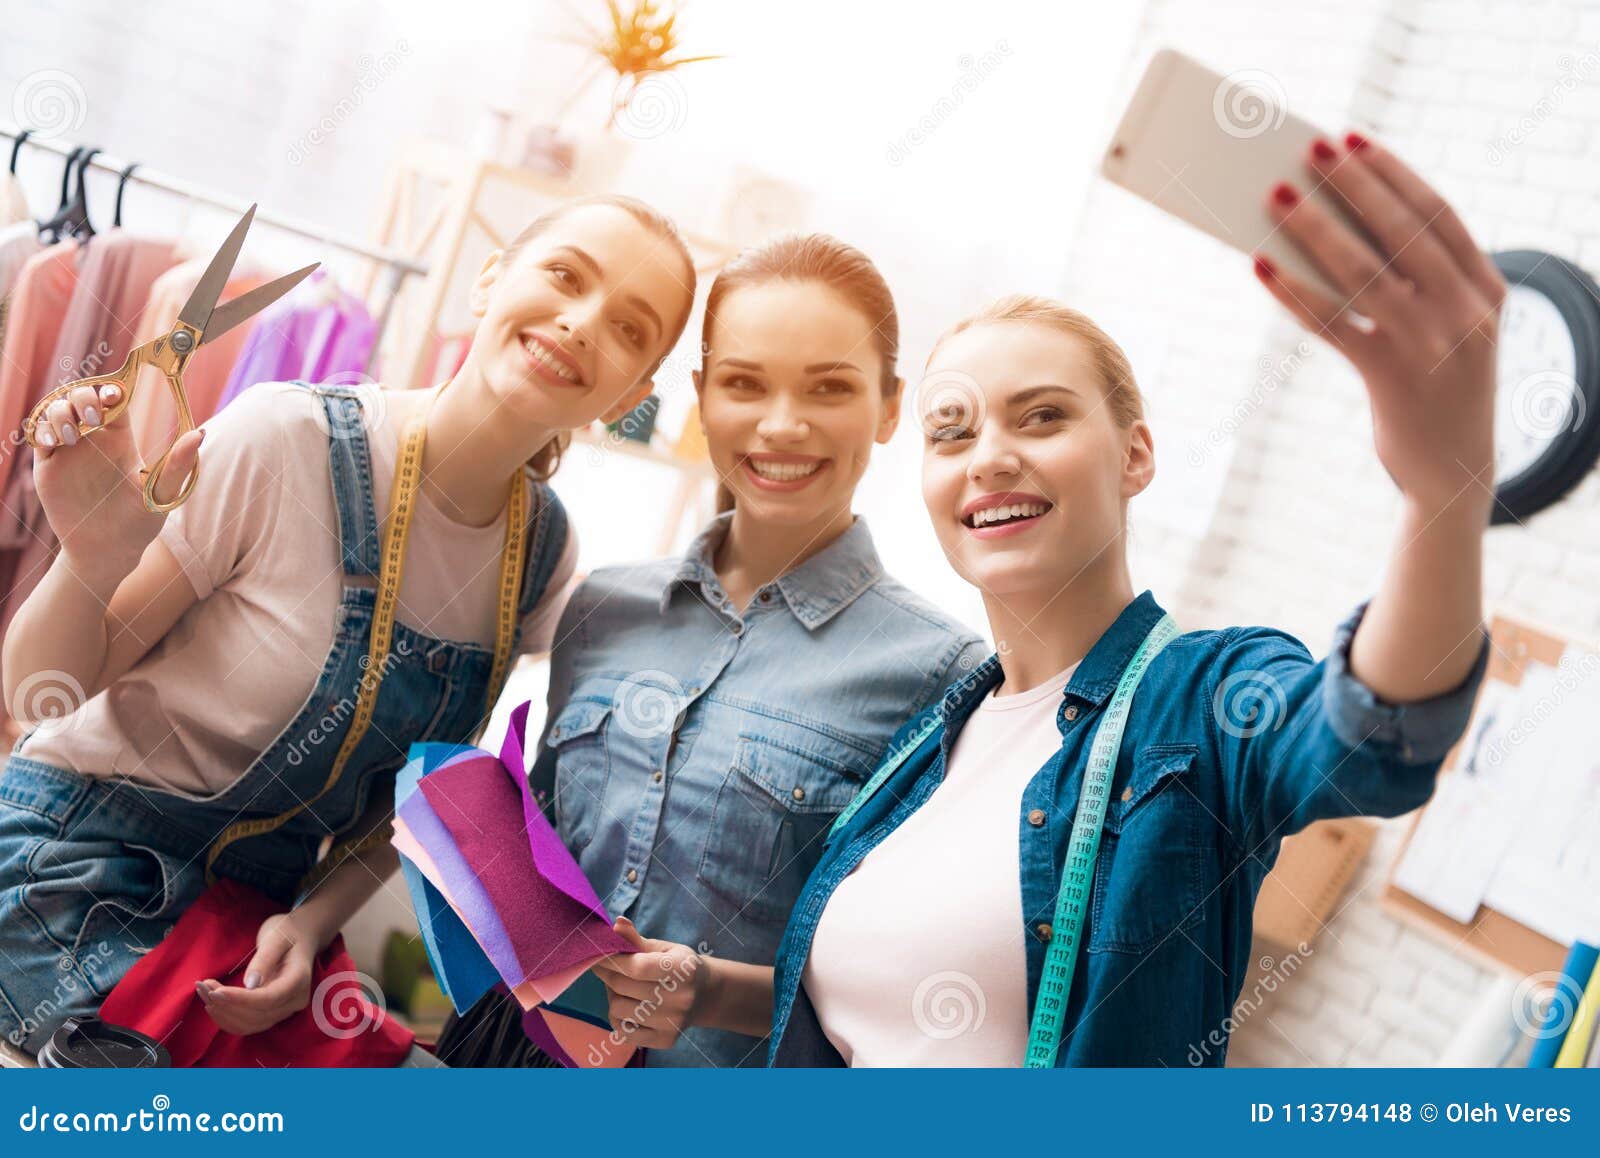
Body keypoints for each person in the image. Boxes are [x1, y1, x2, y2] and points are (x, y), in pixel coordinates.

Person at [616, 133, 1502, 1067]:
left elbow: (1374, 738)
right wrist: (709, 987)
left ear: (1135, 455)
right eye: (952, 432)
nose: (991, 454)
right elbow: (887, 1011)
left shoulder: (1197, 704)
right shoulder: (931, 738)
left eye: (1042, 415)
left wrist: (1444, 494)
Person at [0, 193, 698, 1055]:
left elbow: (403, 799)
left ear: (631, 393)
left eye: (630, 327)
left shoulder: (542, 548)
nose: (584, 321)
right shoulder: (284, 438)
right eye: (564, 275)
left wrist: (311, 919)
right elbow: (40, 701)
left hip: (256, 919)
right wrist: (91, 559)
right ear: (489, 280)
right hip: (76, 867)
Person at [440, 234, 985, 1068]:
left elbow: (913, 988)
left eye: (830, 388)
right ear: (701, 398)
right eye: (743, 383)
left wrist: (713, 992)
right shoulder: (604, 608)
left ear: (887, 407)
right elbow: (535, 868)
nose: (781, 425)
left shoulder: (941, 675)